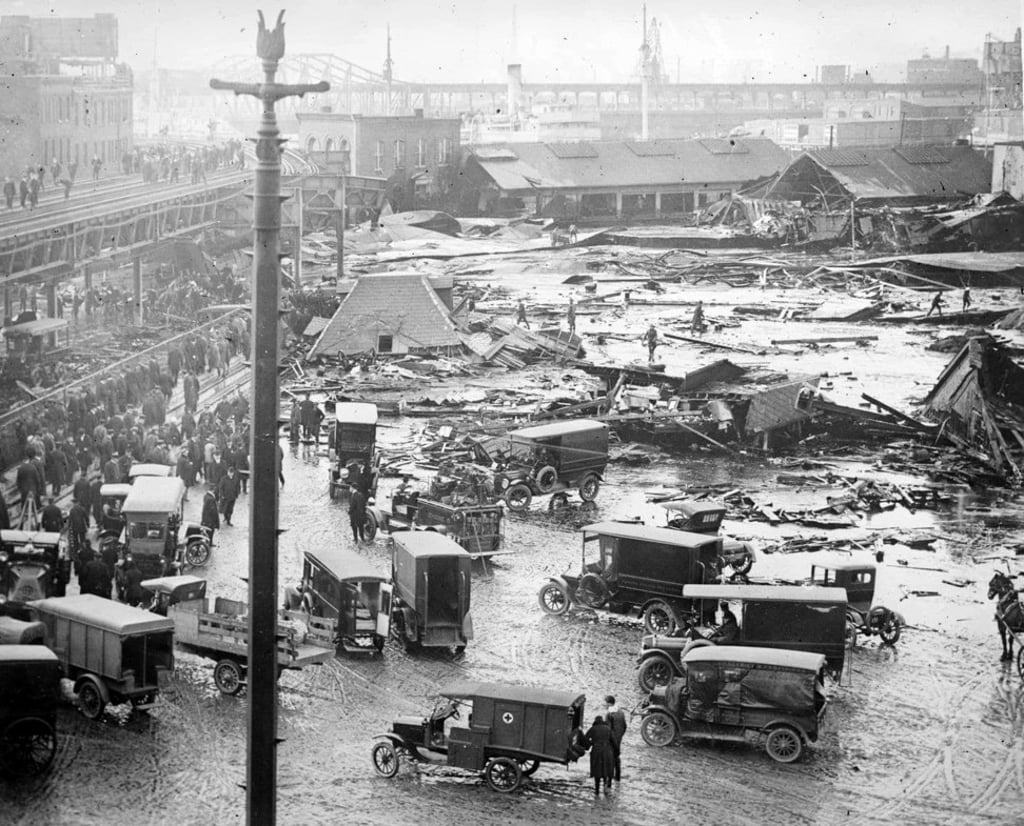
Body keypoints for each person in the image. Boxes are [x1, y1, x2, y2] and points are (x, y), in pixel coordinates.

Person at [581, 715, 615, 795]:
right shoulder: (608, 729)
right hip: (607, 751)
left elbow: (585, 739)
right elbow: (614, 741)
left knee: (597, 770)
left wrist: (589, 745)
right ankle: (605, 787)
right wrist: (615, 752)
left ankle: (596, 789)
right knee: (606, 769)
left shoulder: (593, 729)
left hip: (596, 750)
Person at [604, 695, 627, 784]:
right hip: (619, 738)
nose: (605, 706)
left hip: (612, 740)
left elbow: (608, 729)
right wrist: (620, 736)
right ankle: (617, 777)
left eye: (605, 704)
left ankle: (608, 781)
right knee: (616, 757)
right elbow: (625, 726)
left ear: (609, 703)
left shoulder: (609, 714)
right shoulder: (621, 712)